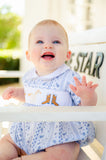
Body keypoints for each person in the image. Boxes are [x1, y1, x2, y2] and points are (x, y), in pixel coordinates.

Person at [0, 19, 98, 160]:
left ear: (67, 55)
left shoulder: (70, 79)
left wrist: (87, 96)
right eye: (39, 42)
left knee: (64, 154)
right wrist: (17, 93)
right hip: (27, 131)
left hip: (58, 136)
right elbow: (30, 95)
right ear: (28, 55)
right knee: (5, 142)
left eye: (56, 42)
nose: (47, 46)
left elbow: (87, 108)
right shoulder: (30, 76)